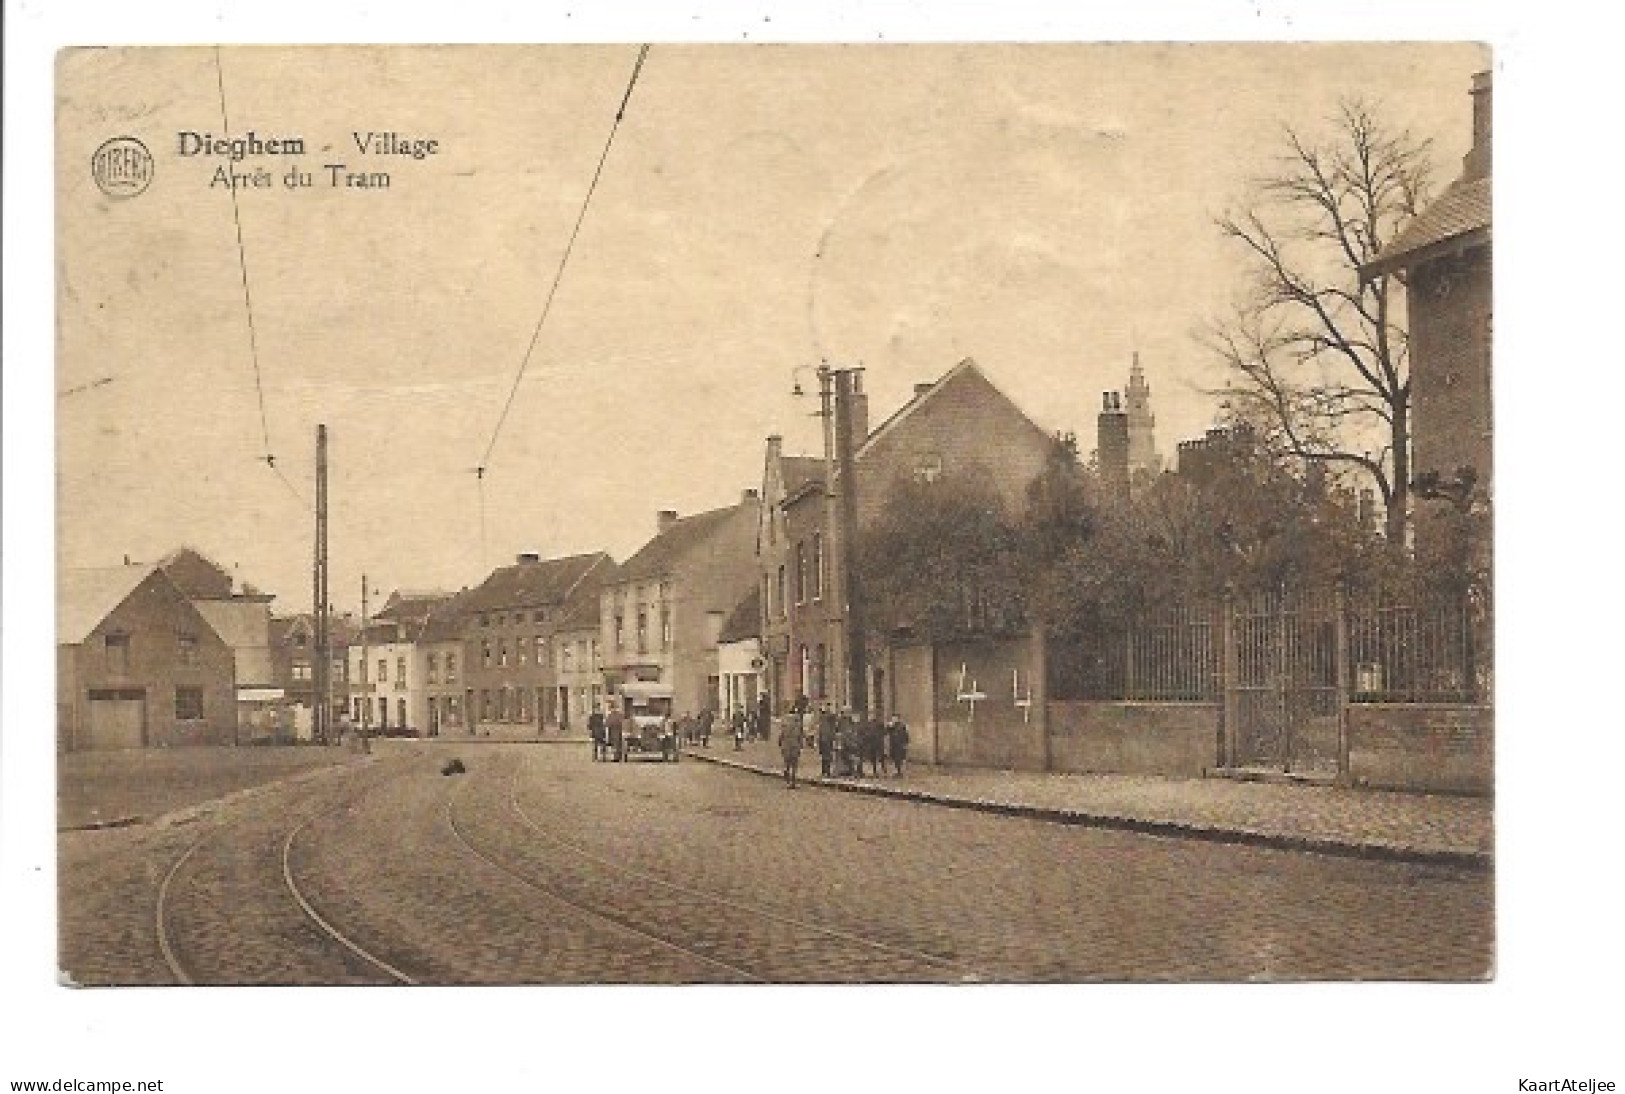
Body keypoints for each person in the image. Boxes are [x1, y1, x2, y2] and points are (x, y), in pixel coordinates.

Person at [777, 703, 804, 789]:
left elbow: (781, 734)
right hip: (795, 744)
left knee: (787, 762)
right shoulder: (798, 722)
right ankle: (793, 782)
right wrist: (801, 744)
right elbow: (800, 734)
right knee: (794, 764)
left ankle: (787, 773)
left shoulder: (784, 721)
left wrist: (780, 743)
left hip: (786, 744)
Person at [817, 705, 837, 777]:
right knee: (827, 756)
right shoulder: (828, 720)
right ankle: (826, 771)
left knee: (825, 756)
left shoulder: (823, 719)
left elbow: (820, 731)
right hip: (827, 739)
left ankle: (825, 771)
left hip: (824, 739)